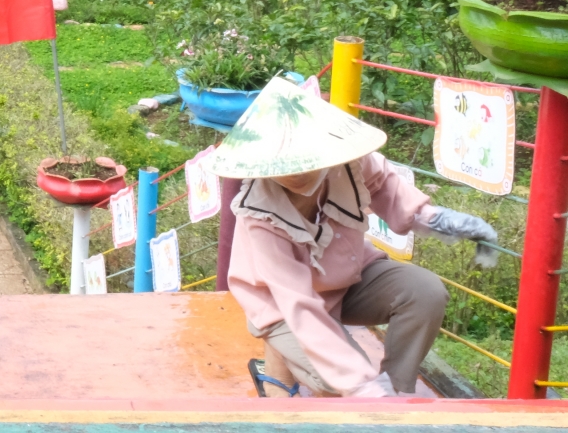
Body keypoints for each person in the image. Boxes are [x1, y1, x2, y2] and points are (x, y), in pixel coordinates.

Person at [212, 77, 500, 398]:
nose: (292, 172)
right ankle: (290, 373)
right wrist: (361, 385)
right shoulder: (258, 214)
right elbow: (298, 304)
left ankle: (397, 390)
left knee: (424, 291)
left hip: (346, 277)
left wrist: (454, 224)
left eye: (300, 156)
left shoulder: (349, 163)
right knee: (339, 378)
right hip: (281, 302)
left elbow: (392, 194)